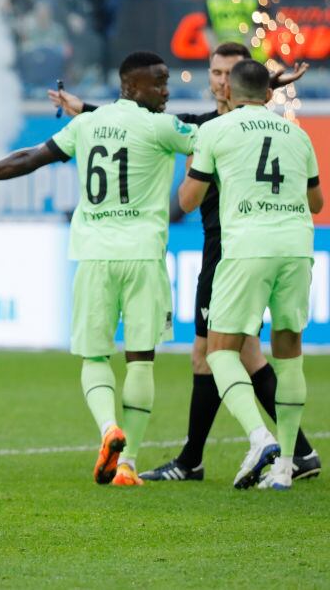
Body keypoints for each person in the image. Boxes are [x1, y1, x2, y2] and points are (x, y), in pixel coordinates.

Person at [48, 45, 320, 482]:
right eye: (213, 71)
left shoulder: (219, 129)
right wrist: (87, 107)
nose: (218, 81)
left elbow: (181, 180)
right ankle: (279, 455)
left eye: (227, 74)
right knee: (239, 352)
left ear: (240, 84)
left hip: (235, 246)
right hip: (268, 244)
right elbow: (145, 122)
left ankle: (252, 448)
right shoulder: (279, 132)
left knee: (216, 353)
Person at [0, 52, 197, 486]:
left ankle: (109, 429)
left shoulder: (85, 126)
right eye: (158, 83)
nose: (166, 91)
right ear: (131, 86)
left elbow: (27, 159)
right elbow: (212, 133)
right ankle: (128, 465)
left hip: (93, 254)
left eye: (166, 83)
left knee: (94, 355)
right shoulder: (163, 127)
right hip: (143, 254)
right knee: (141, 360)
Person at [178, 59, 322, 490]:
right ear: (270, 95)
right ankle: (286, 469)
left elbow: (187, 201)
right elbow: (316, 203)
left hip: (247, 248)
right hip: (296, 246)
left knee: (220, 351)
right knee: (289, 348)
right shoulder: (298, 134)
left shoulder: (214, 131)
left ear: (228, 93)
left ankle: (260, 438)